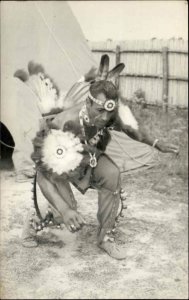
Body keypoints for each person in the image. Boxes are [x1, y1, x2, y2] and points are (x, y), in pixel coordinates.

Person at [20, 55, 179, 260]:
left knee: (111, 174)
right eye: (99, 111)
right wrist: (65, 209)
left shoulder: (109, 114)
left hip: (87, 158)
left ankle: (105, 238)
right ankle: (34, 222)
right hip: (58, 167)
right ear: (87, 103)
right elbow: (43, 177)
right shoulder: (63, 125)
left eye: (108, 113)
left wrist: (157, 143)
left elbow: (131, 128)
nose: (104, 118)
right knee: (64, 212)